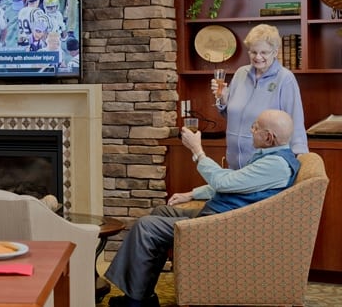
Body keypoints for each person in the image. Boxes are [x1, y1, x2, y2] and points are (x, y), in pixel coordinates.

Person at [104, 109, 300, 307]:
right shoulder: (271, 157)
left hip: (224, 224)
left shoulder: (275, 165)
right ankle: (143, 295)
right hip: (224, 214)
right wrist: (191, 194)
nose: (251, 130)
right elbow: (234, 181)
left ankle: (134, 302)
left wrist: (198, 151)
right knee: (161, 212)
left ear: (268, 137)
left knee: (146, 227)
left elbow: (223, 182)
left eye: (255, 127)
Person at [213, 24, 308, 169]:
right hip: (233, 165)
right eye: (253, 52)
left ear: (275, 52)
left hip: (264, 168)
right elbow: (232, 116)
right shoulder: (240, 74)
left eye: (264, 52)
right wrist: (224, 100)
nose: (258, 57)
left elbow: (295, 121)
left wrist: (299, 157)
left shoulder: (285, 79)